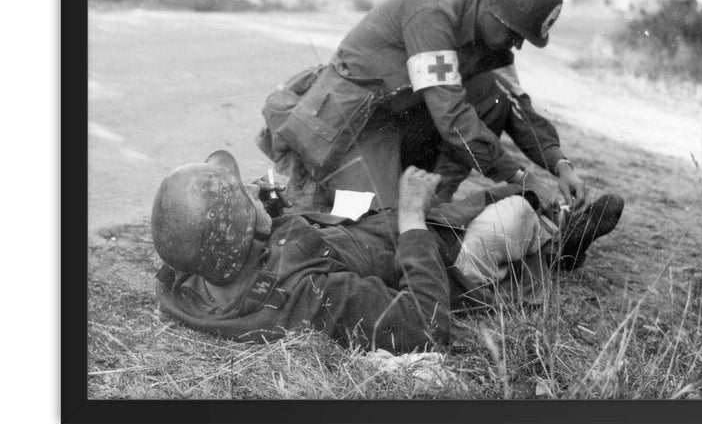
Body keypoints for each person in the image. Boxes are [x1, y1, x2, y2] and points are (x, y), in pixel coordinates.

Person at [151, 150, 623, 353]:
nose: (252, 195)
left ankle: (554, 226)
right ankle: (561, 248)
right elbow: (425, 323)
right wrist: (414, 220)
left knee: (488, 195)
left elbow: (204, 231)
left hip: (372, 232)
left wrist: (264, 209)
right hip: (437, 266)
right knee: (514, 211)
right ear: (239, 231)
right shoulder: (311, 296)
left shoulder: (196, 275)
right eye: (244, 201)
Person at [257, 0, 587, 211]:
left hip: (398, 122)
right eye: (515, 33)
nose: (516, 45)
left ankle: (434, 207)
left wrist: (560, 164)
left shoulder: (490, 41)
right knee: (373, 228)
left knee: (494, 94)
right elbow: (452, 118)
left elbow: (518, 107)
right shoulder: (432, 15)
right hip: (351, 128)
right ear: (490, 6)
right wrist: (520, 178)